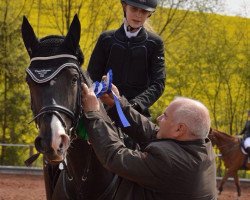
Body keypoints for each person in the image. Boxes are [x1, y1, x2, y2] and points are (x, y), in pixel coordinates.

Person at [81, 83, 217, 200]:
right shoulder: (202, 146)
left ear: (179, 129)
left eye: (165, 116)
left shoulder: (169, 161)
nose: (158, 118)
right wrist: (117, 104)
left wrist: (93, 114)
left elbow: (114, 156)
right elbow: (149, 131)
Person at [87, 0, 166, 118]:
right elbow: (91, 76)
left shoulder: (155, 43)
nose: (138, 15)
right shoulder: (106, 39)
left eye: (144, 11)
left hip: (136, 113)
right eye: (134, 9)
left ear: (149, 14)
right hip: (103, 110)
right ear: (125, 7)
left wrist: (132, 105)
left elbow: (158, 83)